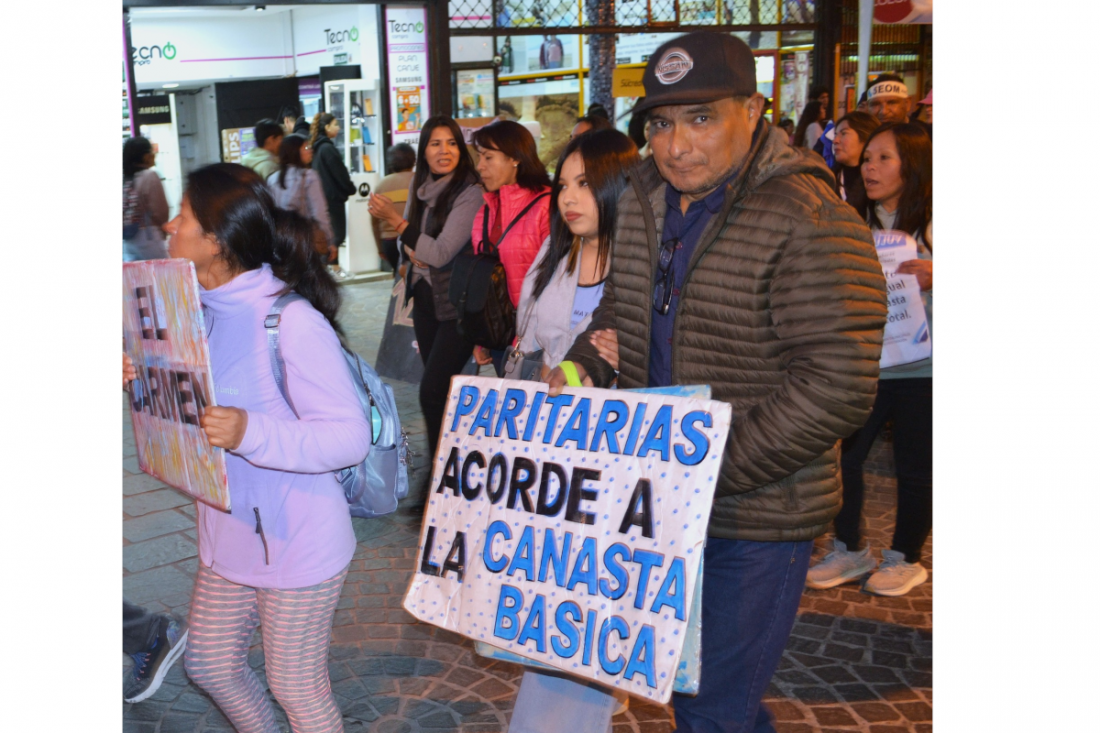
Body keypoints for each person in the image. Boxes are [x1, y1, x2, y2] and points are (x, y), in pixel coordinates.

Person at [552, 32, 888, 733]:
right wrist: (581, 367)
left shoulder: (812, 217)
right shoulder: (643, 194)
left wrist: (705, 466)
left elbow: (838, 385)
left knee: (714, 706)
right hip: (660, 501)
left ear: (755, 109)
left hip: (760, 512)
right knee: (698, 695)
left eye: (701, 118)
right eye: (661, 123)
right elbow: (621, 312)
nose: (676, 145)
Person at [162, 163, 370, 733]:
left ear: (215, 239)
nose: (167, 224)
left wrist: (251, 431)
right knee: (210, 664)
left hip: (297, 541)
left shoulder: (290, 321)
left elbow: (348, 435)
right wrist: (144, 380)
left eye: (181, 216)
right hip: (229, 535)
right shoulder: (193, 313)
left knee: (297, 687)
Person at [807, 122, 933, 597]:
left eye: (885, 158)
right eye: (869, 159)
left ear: (913, 164)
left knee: (916, 466)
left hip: (925, 369)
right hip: (866, 364)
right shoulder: (852, 217)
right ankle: (849, 547)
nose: (871, 167)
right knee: (845, 458)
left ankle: (906, 558)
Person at [368, 116, 484, 496]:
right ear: (424, 151)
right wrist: (410, 250)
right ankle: (452, 471)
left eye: (451, 143)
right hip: (425, 300)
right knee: (442, 391)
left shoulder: (469, 191)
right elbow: (412, 250)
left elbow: (438, 251)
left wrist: (398, 226)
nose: (444, 151)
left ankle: (440, 478)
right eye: (435, 144)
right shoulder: (421, 187)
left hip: (458, 305)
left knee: (433, 391)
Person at [470, 119, 553, 373]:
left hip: (542, 342)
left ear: (515, 158)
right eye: (479, 157)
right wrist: (482, 336)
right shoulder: (484, 212)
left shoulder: (547, 206)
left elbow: (558, 280)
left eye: (488, 157)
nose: (480, 166)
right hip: (501, 339)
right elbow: (483, 283)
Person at [267, 133, 336, 264]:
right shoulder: (308, 176)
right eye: (305, 148)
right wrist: (329, 240)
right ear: (294, 152)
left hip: (281, 242)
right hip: (305, 241)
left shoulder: (272, 178)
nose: (310, 150)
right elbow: (319, 212)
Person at [311, 112, 357, 278]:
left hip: (322, 198)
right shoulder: (327, 148)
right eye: (335, 124)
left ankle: (334, 267)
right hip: (333, 198)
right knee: (337, 235)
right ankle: (330, 269)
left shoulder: (316, 147)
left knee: (331, 235)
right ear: (326, 127)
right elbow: (340, 174)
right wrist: (350, 188)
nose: (338, 128)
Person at [371, 143, 417, 272]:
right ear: (414, 160)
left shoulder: (381, 185)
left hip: (389, 241)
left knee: (398, 278)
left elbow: (375, 222)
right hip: (413, 240)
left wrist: (380, 248)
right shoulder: (420, 180)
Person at [123, 136, 169, 261]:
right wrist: (163, 232)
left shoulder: (125, 178)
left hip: (127, 241)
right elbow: (160, 211)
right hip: (148, 237)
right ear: (145, 156)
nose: (154, 155)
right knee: (164, 275)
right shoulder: (150, 176)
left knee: (137, 278)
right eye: (152, 152)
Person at [830, 110, 879, 205]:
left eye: (843, 133)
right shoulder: (829, 179)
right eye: (835, 134)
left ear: (866, 137)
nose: (835, 140)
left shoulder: (879, 180)